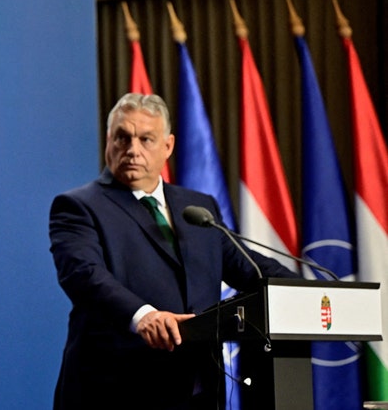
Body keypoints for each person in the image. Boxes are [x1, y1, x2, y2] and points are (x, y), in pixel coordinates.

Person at [48, 92, 297, 410]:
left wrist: (310, 293)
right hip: (115, 388)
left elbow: (249, 266)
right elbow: (84, 275)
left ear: (168, 146)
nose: (132, 150)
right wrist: (143, 316)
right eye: (123, 138)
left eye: (146, 139)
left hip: (197, 389)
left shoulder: (198, 208)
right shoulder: (79, 207)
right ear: (109, 140)